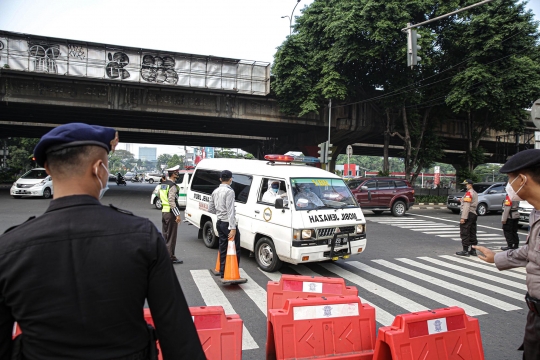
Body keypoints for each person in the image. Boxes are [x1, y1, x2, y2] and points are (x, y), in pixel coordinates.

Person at [0, 123, 204, 360]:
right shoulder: (142, 237)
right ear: (99, 169)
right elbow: (177, 335)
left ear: (47, 169)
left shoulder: (10, 247)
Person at [474, 149, 540, 359]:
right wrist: (497, 257)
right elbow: (531, 251)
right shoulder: (536, 213)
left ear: (522, 179)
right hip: (535, 315)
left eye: (510, 180)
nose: (508, 186)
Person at [208, 170, 246, 283]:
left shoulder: (215, 191)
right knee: (235, 249)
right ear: (231, 179)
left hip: (219, 222)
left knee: (223, 247)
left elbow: (210, 208)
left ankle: (223, 271)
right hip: (228, 224)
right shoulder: (229, 191)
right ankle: (232, 272)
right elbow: (230, 211)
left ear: (220, 179)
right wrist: (233, 227)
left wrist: (220, 213)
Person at [159, 170, 183, 264]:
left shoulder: (163, 184)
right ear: (173, 175)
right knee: (171, 236)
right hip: (170, 213)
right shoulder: (172, 186)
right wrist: (177, 214)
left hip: (164, 212)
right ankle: (170, 257)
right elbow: (172, 201)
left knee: (165, 235)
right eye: (176, 173)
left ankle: (164, 256)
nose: (178, 174)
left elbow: (160, 196)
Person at [455, 179, 478, 256]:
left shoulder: (469, 193)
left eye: (466, 185)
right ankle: (473, 249)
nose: (465, 186)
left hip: (468, 213)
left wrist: (463, 217)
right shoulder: (474, 193)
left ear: (470, 185)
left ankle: (465, 250)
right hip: (473, 214)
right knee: (472, 231)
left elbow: (467, 206)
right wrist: (462, 200)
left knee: (465, 231)